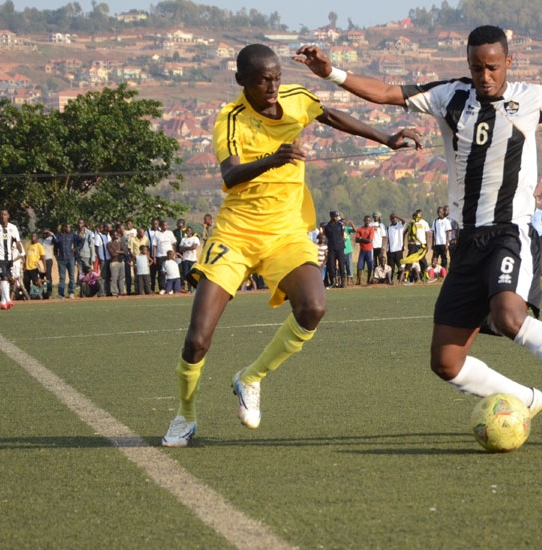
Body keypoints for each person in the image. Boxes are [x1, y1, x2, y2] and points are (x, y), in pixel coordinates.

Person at [296, 25, 542, 422]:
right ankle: (526, 399)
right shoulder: (450, 96)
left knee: (509, 316)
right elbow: (387, 93)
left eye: (493, 67)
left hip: (509, 231)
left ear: (508, 63)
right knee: (446, 362)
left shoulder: (532, 98)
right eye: (477, 68)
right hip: (467, 241)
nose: (485, 76)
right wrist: (330, 73)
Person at [162, 43, 421, 447]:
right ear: (241, 81)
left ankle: (250, 378)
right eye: (263, 79)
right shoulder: (229, 120)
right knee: (197, 338)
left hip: (285, 232)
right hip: (236, 234)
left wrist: (385, 138)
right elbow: (230, 176)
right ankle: (186, 415)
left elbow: (332, 115)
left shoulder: (296, 99)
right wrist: (273, 158)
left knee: (314, 307)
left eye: (277, 77)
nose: (273, 85)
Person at [0, 210, 23, 310]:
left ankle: (3, 303)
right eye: (1, 215)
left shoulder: (13, 228)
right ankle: (8, 300)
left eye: (5, 214)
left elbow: (17, 242)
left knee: (7, 279)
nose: (3, 216)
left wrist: (22, 253)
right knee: (4, 278)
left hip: (9, 258)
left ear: (8, 216)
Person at [322, 211, 346, 288]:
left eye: (337, 216)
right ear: (331, 217)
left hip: (340, 247)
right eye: (335, 216)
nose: (336, 218)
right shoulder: (326, 226)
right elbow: (325, 236)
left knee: (341, 264)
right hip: (331, 248)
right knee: (331, 265)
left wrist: (341, 241)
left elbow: (342, 235)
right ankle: (333, 281)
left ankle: (343, 282)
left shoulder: (340, 224)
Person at [53, 223, 77, 299]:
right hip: (61, 259)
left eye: (70, 227)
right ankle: (61, 294)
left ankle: (71, 292)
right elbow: (55, 246)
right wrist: (56, 256)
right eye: (67, 227)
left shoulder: (72, 235)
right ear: (63, 228)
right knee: (62, 278)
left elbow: (81, 240)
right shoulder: (58, 236)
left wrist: (76, 248)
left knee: (72, 276)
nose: (69, 229)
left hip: (70, 258)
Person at [355, 215, 375, 285]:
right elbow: (356, 240)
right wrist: (363, 239)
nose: (367, 222)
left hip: (369, 249)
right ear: (364, 221)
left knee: (370, 266)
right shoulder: (360, 229)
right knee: (359, 266)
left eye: (369, 221)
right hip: (362, 250)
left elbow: (370, 240)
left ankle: (368, 280)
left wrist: (361, 238)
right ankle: (359, 281)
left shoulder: (371, 229)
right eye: (366, 220)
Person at [179, 226, 200, 293]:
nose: (187, 232)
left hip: (192, 259)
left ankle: (195, 288)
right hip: (185, 259)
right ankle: (189, 288)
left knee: (193, 275)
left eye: (189, 230)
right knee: (187, 275)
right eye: (187, 230)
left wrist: (186, 248)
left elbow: (194, 247)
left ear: (191, 231)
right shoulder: (183, 239)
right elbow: (181, 249)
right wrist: (189, 247)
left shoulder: (195, 238)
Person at [386, 213, 406, 283]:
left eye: (394, 218)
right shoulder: (388, 228)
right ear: (390, 219)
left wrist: (397, 216)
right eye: (392, 218)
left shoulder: (399, 225)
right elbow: (387, 239)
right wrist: (386, 249)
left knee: (400, 266)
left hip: (398, 250)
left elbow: (404, 221)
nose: (393, 219)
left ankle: (400, 280)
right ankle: (390, 280)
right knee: (391, 267)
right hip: (391, 250)